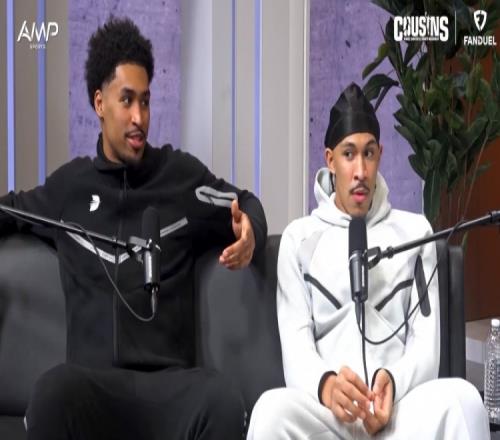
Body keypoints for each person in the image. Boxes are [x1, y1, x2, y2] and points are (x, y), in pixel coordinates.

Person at [0, 17, 267, 440]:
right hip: (94, 389)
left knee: (222, 400)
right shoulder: (69, 189)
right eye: (126, 100)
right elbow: (9, 210)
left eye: (145, 101)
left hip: (168, 390)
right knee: (52, 392)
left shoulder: (181, 178)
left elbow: (245, 203)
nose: (139, 117)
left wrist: (251, 231)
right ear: (99, 102)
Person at [247, 83, 489, 439]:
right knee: (270, 410)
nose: (360, 170)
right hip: (329, 416)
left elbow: (426, 345)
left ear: (380, 156)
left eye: (369, 153)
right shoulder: (299, 239)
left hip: (398, 411)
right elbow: (296, 346)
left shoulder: (416, 232)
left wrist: (393, 381)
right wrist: (327, 386)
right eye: (348, 154)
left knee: (464, 400)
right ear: (330, 160)